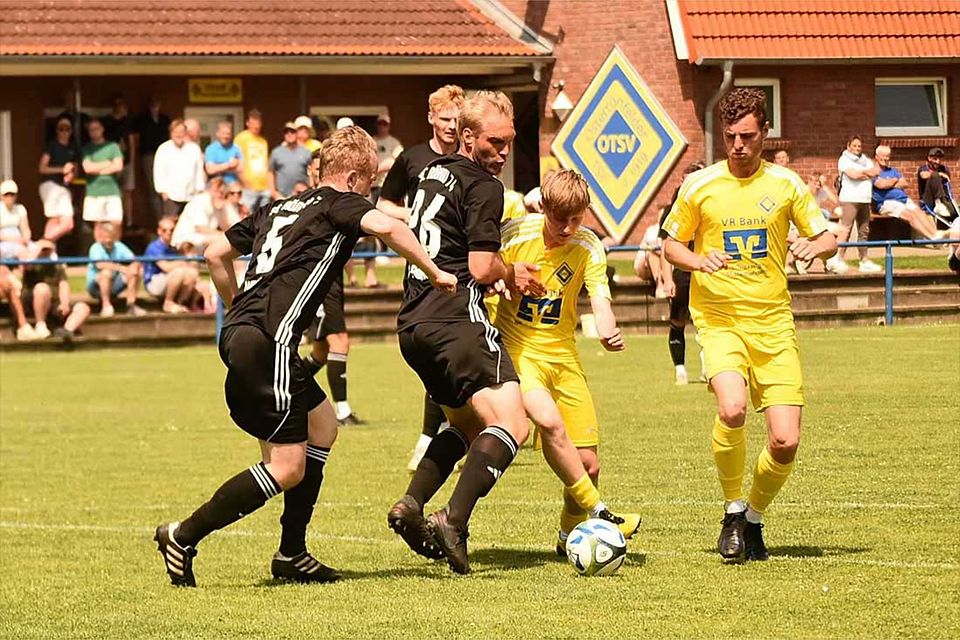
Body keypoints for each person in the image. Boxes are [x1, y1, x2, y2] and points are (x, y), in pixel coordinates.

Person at [152, 125, 456, 588]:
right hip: (268, 341)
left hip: (250, 335)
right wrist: (435, 271)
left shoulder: (276, 208)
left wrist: (238, 311)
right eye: (370, 182)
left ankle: (292, 553)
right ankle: (184, 534)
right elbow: (390, 227)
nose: (371, 192)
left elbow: (215, 254)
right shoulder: (341, 202)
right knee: (287, 467)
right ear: (353, 177)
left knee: (323, 425)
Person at [661, 87, 838, 563]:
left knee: (785, 440)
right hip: (719, 320)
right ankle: (732, 510)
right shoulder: (700, 187)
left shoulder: (786, 184)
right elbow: (669, 245)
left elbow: (828, 238)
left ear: (764, 134)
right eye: (731, 136)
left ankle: (754, 518)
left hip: (773, 323)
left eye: (748, 136)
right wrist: (698, 260)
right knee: (733, 408)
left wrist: (814, 247)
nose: (738, 145)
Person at [386, 90, 545, 575]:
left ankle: (411, 504)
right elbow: (478, 265)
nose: (503, 152)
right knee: (514, 424)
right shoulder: (486, 187)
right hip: (455, 319)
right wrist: (511, 270)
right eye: (495, 142)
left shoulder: (431, 171)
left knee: (466, 426)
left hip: (413, 322)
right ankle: (453, 520)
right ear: (468, 135)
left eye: (510, 142)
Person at [489, 169, 641, 555]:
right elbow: (484, 270)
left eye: (577, 219)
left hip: (564, 357)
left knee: (588, 465)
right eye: (561, 220)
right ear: (546, 210)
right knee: (548, 420)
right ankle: (602, 512)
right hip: (519, 353)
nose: (569, 228)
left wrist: (608, 328)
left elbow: (600, 298)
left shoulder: (589, 246)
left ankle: (568, 536)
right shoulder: (515, 236)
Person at [377, 83, 465, 473]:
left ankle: (445, 434)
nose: (451, 126)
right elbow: (383, 205)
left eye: (457, 120)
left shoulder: (468, 161)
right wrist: (414, 217)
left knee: (455, 358)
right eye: (445, 119)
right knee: (433, 357)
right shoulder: (411, 159)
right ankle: (436, 435)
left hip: (461, 271)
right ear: (431, 117)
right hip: (421, 273)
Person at [301, 150, 365, 426]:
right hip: (320, 284)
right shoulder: (308, 203)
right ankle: (342, 410)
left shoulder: (335, 201)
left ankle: (280, 389)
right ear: (310, 172)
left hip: (333, 280)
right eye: (315, 168)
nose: (318, 172)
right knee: (340, 341)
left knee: (320, 354)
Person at [657, 161, 706, 385]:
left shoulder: (709, 204)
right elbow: (665, 248)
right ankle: (680, 370)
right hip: (683, 273)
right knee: (678, 320)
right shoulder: (673, 209)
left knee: (708, 321)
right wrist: (667, 279)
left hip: (707, 271)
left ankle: (708, 367)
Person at [21, 239, 90, 344]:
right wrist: (37, 250)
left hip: (54, 303)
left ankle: (66, 331)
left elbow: (63, 285)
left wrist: (64, 303)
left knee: (83, 308)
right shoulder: (31, 265)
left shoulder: (58, 267)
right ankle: (40, 325)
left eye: (48, 249)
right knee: (42, 288)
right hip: (35, 302)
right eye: (44, 249)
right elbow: (26, 265)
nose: (46, 252)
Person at [829, 135, 880, 274]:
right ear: (848, 146)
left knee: (864, 230)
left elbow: (876, 171)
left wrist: (863, 173)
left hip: (865, 199)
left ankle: (864, 260)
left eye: (859, 146)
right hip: (850, 199)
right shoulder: (844, 159)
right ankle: (838, 258)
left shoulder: (866, 160)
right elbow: (853, 175)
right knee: (845, 229)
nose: (857, 149)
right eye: (854, 146)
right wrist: (865, 174)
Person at [872, 146, 942, 240]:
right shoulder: (873, 172)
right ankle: (933, 239)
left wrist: (889, 183)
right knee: (911, 215)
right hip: (886, 202)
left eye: (887, 156)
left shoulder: (893, 171)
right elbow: (881, 185)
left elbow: (904, 183)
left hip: (904, 200)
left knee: (919, 212)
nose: (885, 159)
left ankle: (938, 237)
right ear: (876, 156)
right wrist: (895, 180)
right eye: (883, 156)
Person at [144, 215, 204, 313]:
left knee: (192, 273)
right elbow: (166, 267)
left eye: (171, 230)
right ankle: (168, 303)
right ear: (159, 231)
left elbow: (192, 266)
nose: (168, 233)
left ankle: (181, 303)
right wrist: (185, 261)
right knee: (179, 272)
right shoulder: (154, 247)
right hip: (153, 283)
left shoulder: (173, 247)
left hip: (168, 279)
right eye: (164, 230)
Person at [86, 222, 146, 318]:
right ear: (101, 237)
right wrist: (122, 268)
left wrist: (134, 266)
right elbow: (100, 265)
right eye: (105, 238)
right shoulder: (95, 248)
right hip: (95, 286)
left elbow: (134, 259)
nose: (108, 241)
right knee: (106, 273)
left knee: (134, 270)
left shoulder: (119, 246)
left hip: (114, 283)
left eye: (110, 239)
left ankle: (131, 305)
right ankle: (106, 306)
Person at [171, 178, 239, 256]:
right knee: (225, 241)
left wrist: (223, 212)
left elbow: (231, 226)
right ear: (209, 190)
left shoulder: (222, 203)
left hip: (203, 242)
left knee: (229, 241)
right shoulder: (200, 200)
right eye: (217, 191)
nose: (220, 195)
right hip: (186, 240)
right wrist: (227, 236)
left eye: (224, 193)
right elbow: (201, 228)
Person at [37, 115, 78, 242]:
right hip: (50, 185)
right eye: (61, 128)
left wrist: (71, 175)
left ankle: (45, 250)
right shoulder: (51, 146)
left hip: (64, 187)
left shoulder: (73, 148)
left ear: (71, 131)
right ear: (57, 130)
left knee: (65, 224)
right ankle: (43, 246)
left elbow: (75, 168)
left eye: (67, 128)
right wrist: (61, 169)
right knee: (58, 221)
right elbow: (42, 168)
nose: (64, 131)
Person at [153, 119, 205, 218]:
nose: (178, 135)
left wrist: (199, 190)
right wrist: (163, 192)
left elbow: (199, 171)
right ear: (171, 133)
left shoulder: (194, 149)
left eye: (181, 132)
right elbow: (158, 172)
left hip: (191, 196)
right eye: (176, 132)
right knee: (171, 225)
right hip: (171, 196)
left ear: (185, 133)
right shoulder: (163, 149)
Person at [81, 118, 125, 233]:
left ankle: (115, 247)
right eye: (91, 130)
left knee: (116, 222)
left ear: (102, 129)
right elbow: (87, 168)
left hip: (112, 190)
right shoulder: (87, 149)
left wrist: (98, 170)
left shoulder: (113, 146)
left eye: (96, 129)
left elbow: (118, 166)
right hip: (94, 191)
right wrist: (108, 163)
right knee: (98, 225)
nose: (94, 132)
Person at [133, 98, 171, 220]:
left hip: (166, 156)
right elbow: (136, 139)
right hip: (148, 155)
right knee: (153, 189)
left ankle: (170, 218)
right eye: (152, 104)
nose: (155, 106)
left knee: (168, 188)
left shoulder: (165, 120)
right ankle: (160, 219)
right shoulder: (142, 119)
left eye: (157, 103)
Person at [102, 95, 136, 224]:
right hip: (111, 163)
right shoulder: (106, 121)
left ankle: (129, 221)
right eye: (117, 105)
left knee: (127, 192)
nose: (120, 107)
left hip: (127, 162)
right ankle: (113, 220)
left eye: (122, 105)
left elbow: (132, 142)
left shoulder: (128, 122)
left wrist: (132, 161)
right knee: (112, 192)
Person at [234, 109, 272, 213]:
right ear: (247, 123)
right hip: (248, 187)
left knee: (263, 217)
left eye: (258, 122)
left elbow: (266, 163)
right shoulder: (241, 138)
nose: (256, 125)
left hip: (264, 187)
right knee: (247, 217)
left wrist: (269, 185)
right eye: (253, 122)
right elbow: (236, 162)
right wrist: (244, 182)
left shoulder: (263, 141)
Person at [269, 121, 311, 200]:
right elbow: (270, 172)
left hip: (302, 197)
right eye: (286, 132)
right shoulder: (276, 152)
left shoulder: (306, 152)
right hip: (281, 197)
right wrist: (274, 193)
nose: (289, 134)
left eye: (292, 131)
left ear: (297, 133)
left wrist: (310, 191)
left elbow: (311, 173)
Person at [917, 147, 958, 221]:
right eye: (935, 159)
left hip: (943, 198)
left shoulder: (943, 169)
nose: (938, 162)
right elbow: (923, 175)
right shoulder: (923, 168)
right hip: (927, 199)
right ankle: (938, 203)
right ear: (929, 158)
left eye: (939, 159)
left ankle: (942, 203)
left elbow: (947, 182)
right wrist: (940, 174)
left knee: (954, 213)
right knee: (935, 175)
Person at [0, 179, 32, 260]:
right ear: (1, 196)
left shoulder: (20, 209)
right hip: (4, 243)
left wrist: (26, 238)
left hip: (20, 240)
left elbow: (25, 228)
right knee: (22, 252)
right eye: (7, 194)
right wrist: (16, 240)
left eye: (12, 194)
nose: (9, 197)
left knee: (43, 248)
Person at [204, 121, 243, 185]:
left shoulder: (236, 148)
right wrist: (229, 165)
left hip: (233, 188)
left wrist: (218, 167)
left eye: (228, 133)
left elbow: (241, 168)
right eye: (223, 133)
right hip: (217, 188)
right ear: (217, 134)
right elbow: (210, 170)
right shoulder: (211, 149)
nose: (225, 136)